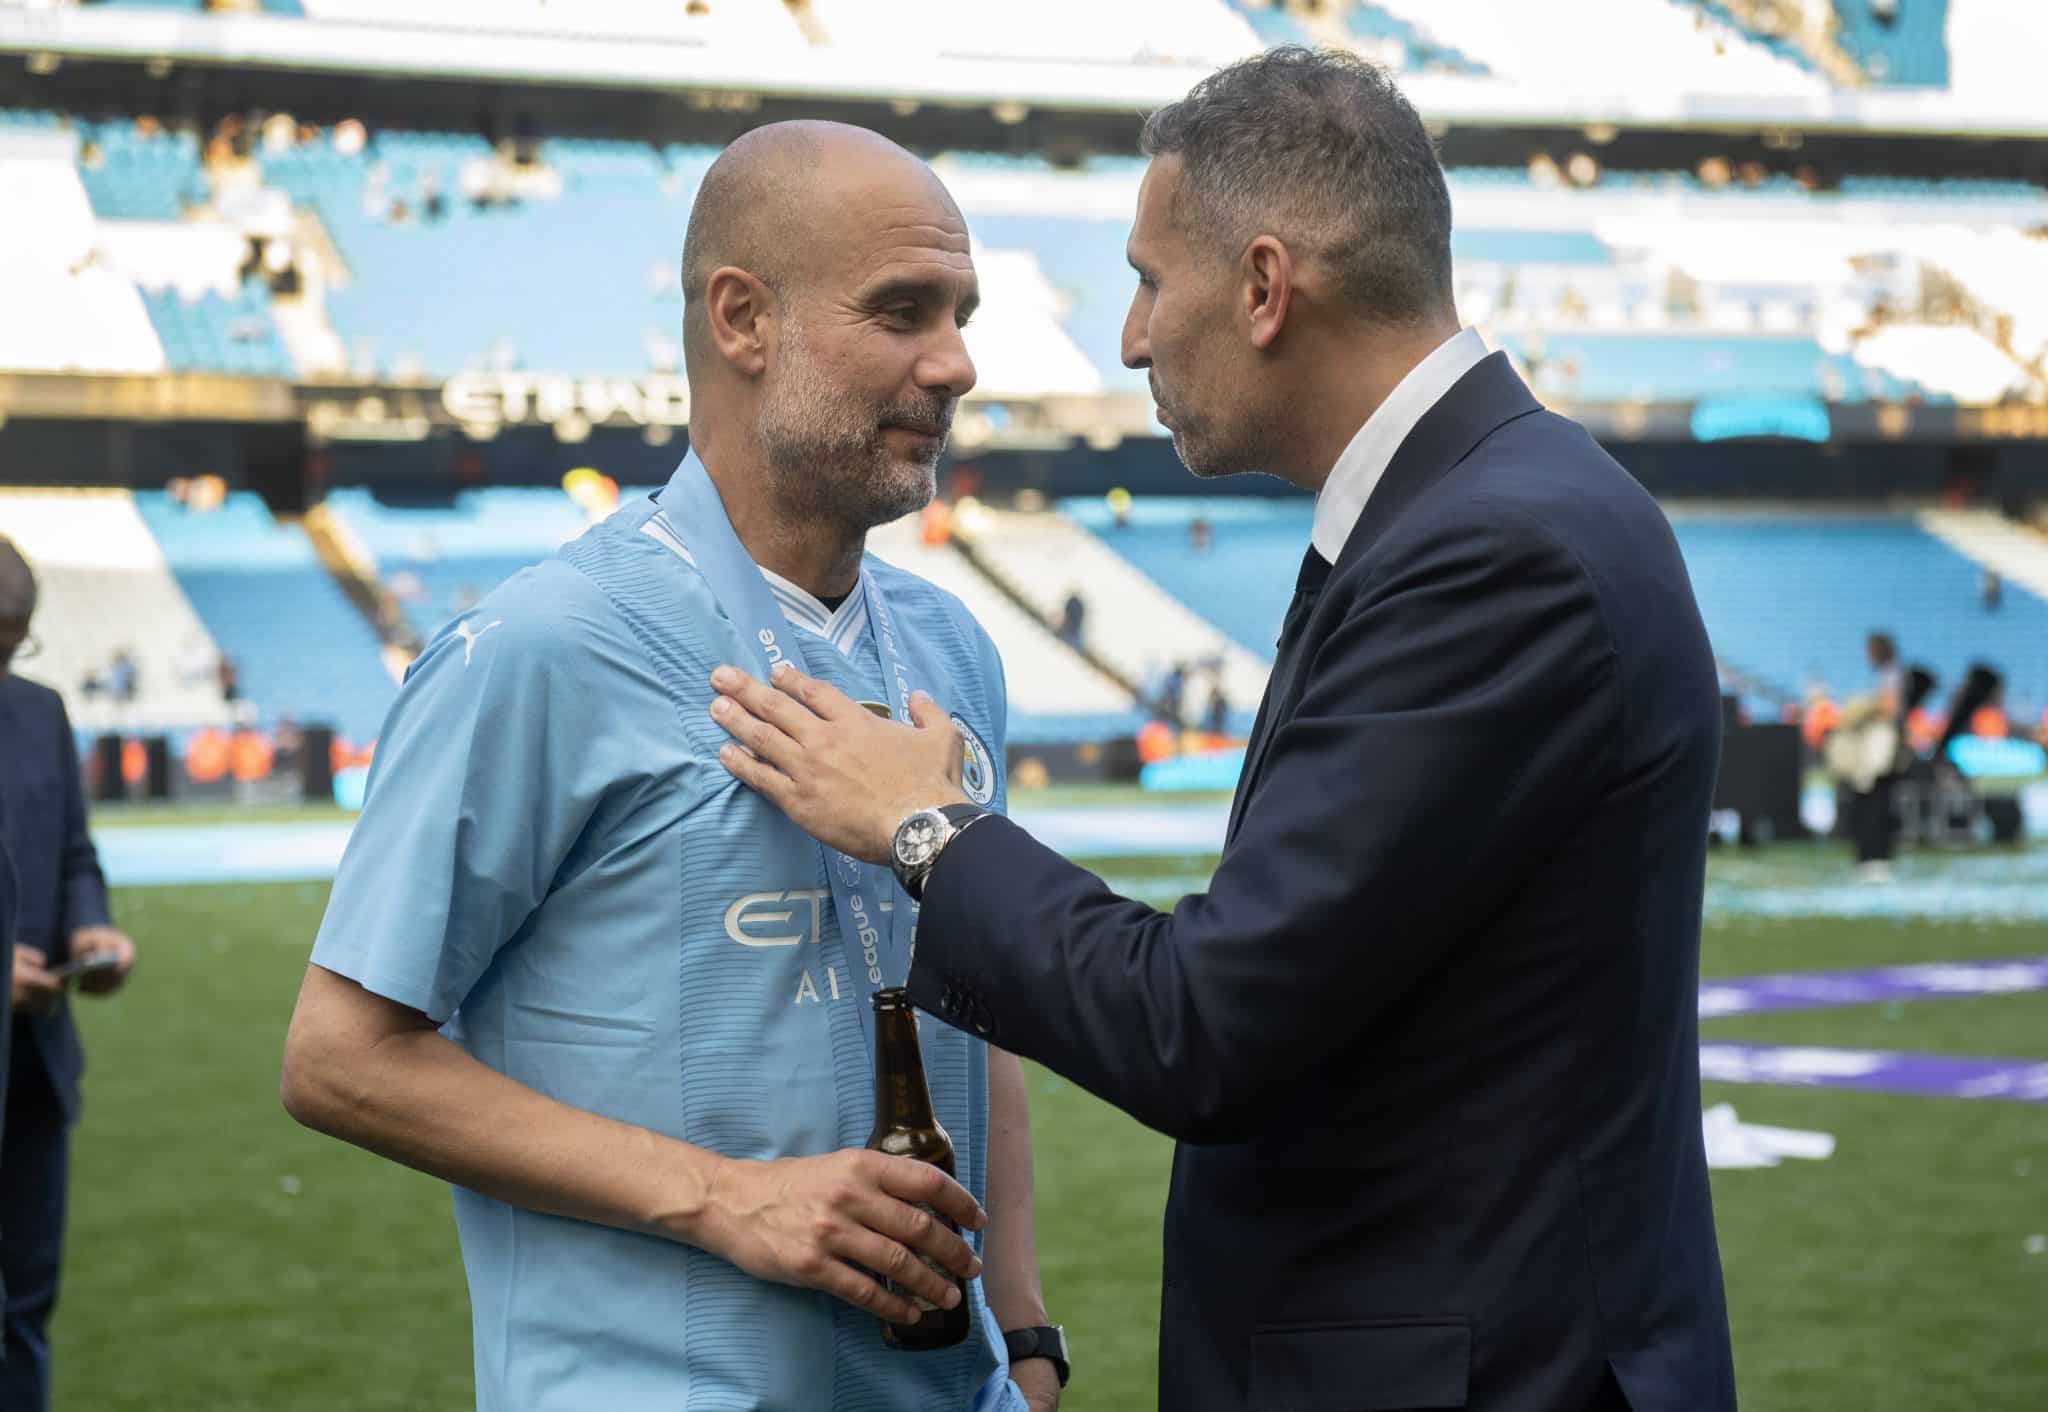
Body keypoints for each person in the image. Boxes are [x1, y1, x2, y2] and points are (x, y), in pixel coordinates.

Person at [705, 50, 1733, 1412]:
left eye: (1149, 281)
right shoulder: (1493, 509)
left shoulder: (1496, 550)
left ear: (1262, 287)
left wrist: (931, 829)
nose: (1131, 337)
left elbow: (1206, 1024)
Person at [281, 122, 1061, 1412]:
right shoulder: (542, 647)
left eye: (962, 313)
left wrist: (1024, 1339)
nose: (957, 362)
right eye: (902, 311)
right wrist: (730, 1197)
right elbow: (341, 1056)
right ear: (742, 318)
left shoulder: (950, 647)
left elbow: (983, 1017)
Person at [0, 536, 138, 1412]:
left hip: (34, 1070)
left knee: (23, 1310)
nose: (6, 659)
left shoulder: (39, 712)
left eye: (15, 642)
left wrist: (93, 924)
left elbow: (74, 854)